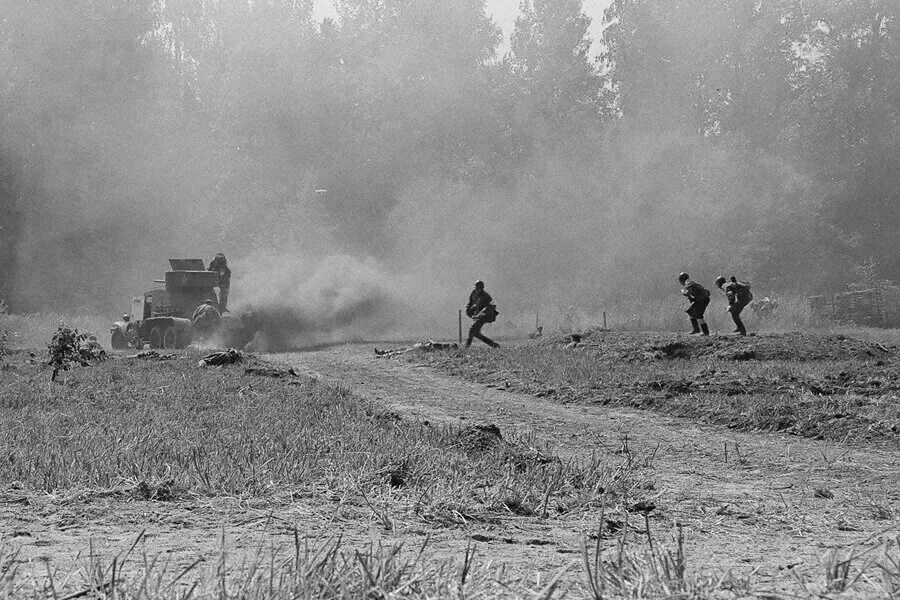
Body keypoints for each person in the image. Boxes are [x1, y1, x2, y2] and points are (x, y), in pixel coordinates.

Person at [465, 280, 500, 348]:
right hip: (477, 315)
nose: (476, 289)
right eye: (476, 287)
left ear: (482, 288)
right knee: (475, 333)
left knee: (472, 330)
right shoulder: (473, 293)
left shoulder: (486, 296)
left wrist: (479, 315)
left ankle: (466, 347)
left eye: (478, 288)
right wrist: (469, 311)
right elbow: (470, 302)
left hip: (485, 315)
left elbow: (490, 307)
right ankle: (494, 345)